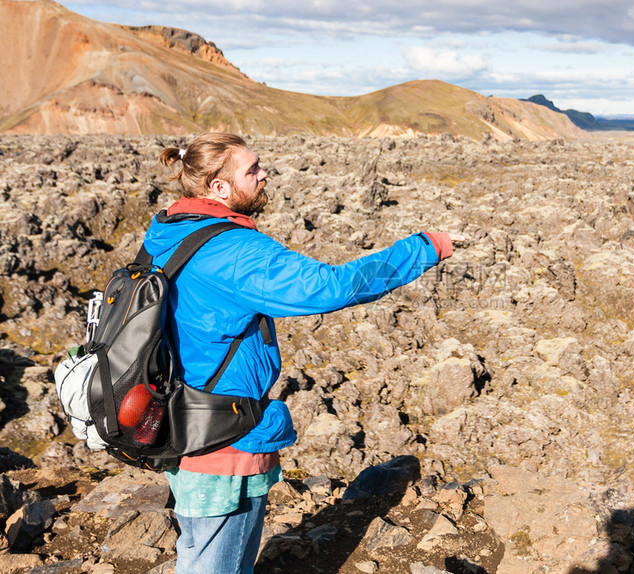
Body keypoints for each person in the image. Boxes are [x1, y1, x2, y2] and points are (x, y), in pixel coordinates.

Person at [146, 133, 461, 574]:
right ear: (219, 188)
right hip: (222, 437)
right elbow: (328, 287)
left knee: (198, 549)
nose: (264, 174)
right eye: (252, 170)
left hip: (179, 420)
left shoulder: (171, 230)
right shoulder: (234, 251)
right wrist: (424, 247)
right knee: (217, 563)